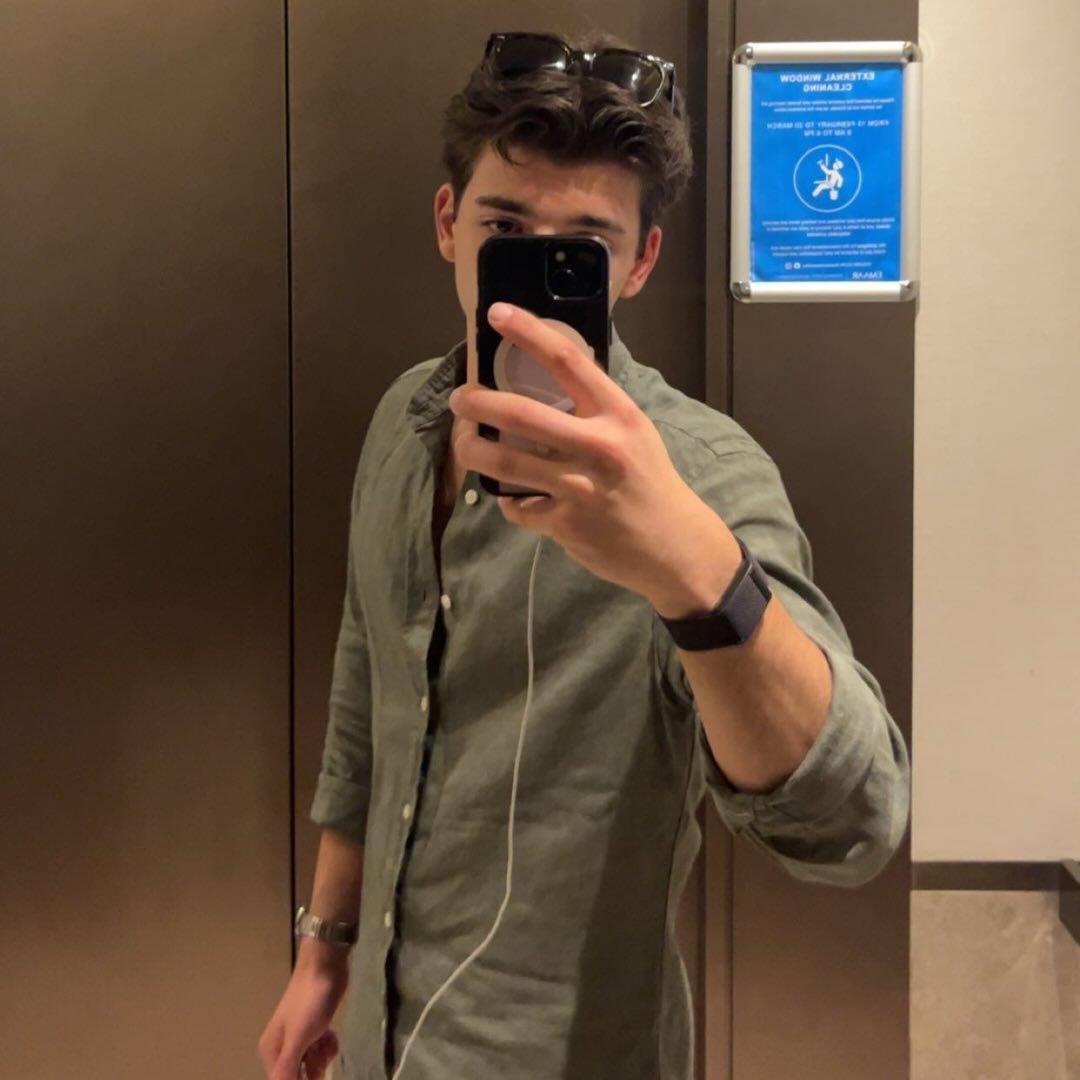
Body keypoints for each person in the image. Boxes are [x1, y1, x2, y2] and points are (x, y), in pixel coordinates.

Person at [258, 30, 910, 1080]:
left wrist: (689, 570)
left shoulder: (698, 478)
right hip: (379, 1040)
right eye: (505, 230)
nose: (529, 281)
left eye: (585, 246)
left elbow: (855, 821)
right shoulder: (405, 420)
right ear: (448, 224)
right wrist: (323, 952)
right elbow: (365, 695)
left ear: (640, 262)